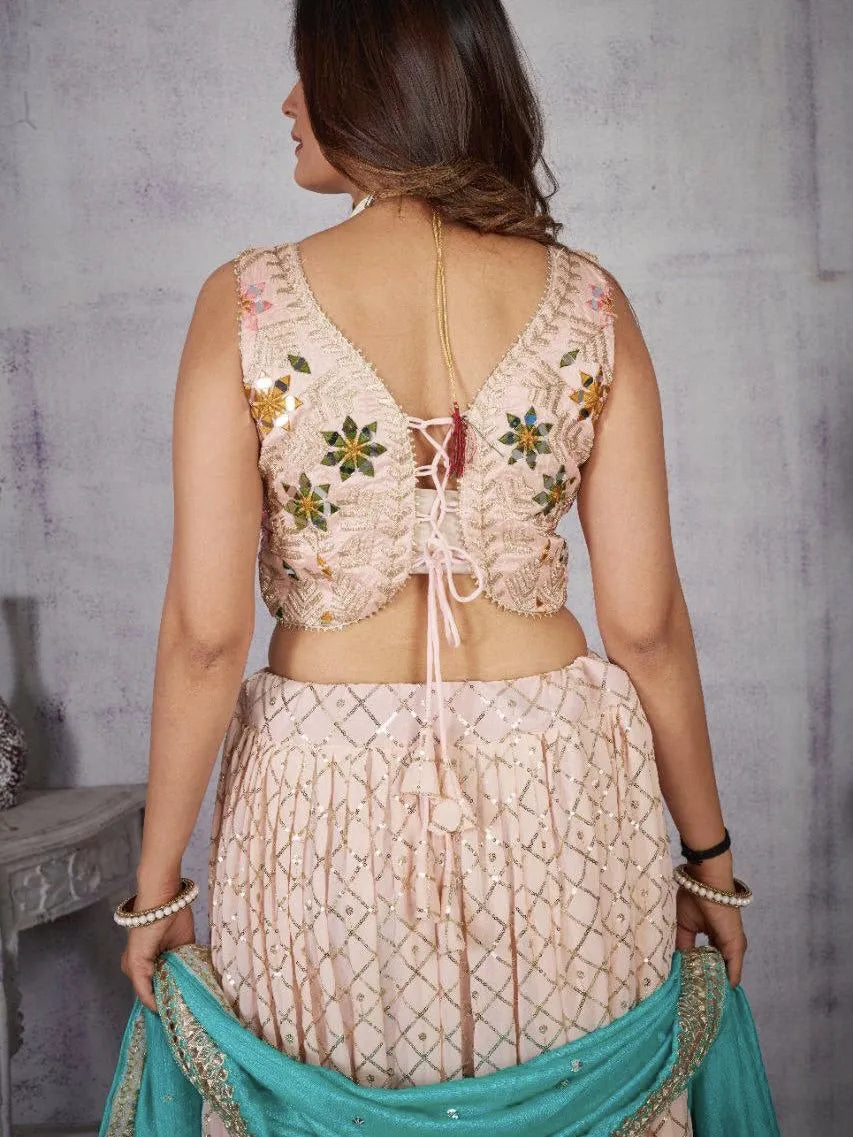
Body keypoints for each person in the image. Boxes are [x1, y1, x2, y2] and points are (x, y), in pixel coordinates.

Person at [99, 2, 780, 1135]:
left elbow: (206, 636)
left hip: (323, 806)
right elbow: (647, 625)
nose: (286, 104)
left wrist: (157, 883)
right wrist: (705, 861)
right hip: (558, 795)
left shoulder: (248, 304)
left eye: (304, 76)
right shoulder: (588, 302)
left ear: (370, 85)